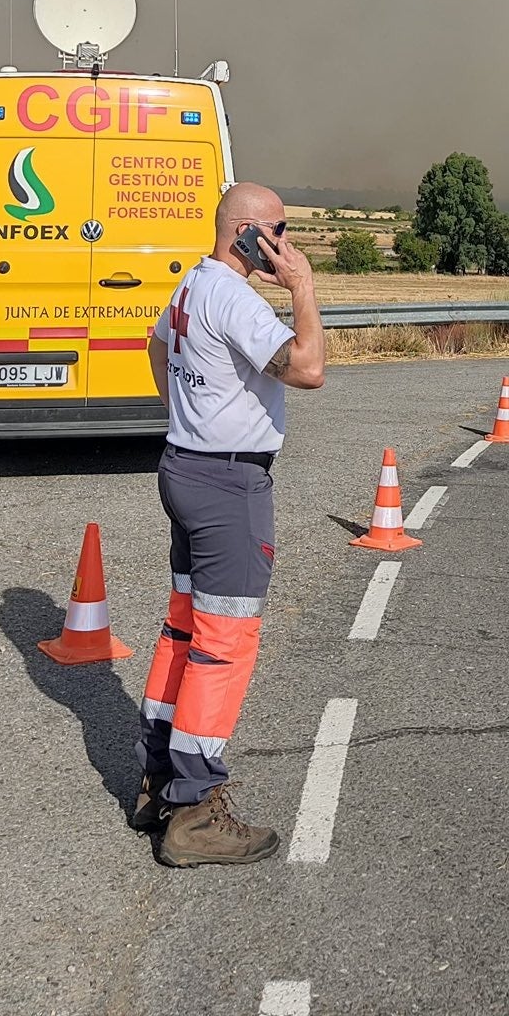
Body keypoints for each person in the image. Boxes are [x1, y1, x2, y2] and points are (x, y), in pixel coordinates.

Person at [134, 182, 325, 868]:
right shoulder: (236, 299)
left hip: (184, 466)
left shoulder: (192, 284)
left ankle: (158, 781)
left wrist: (190, 417)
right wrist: (302, 288)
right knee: (225, 643)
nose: (287, 243)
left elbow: (155, 347)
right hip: (228, 486)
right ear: (249, 233)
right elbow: (308, 368)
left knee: (184, 627)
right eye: (281, 230)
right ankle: (194, 810)